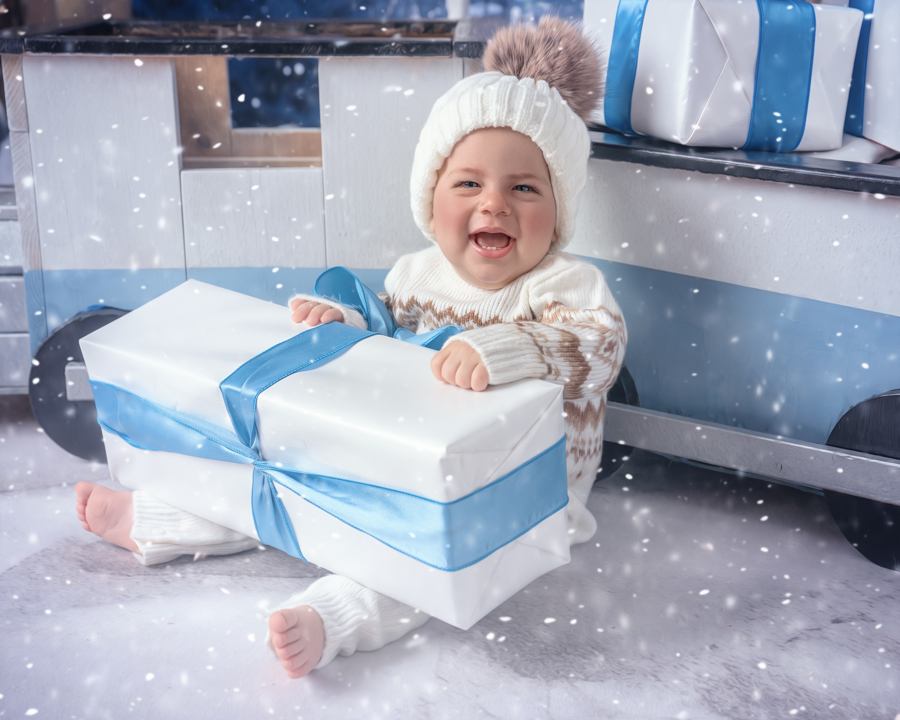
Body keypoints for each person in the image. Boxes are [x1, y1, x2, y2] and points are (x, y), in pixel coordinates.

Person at [75, 17, 627, 680]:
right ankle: (161, 519)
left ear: (558, 210)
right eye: (469, 184)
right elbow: (386, 341)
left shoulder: (567, 284)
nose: (495, 205)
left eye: (525, 188)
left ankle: (334, 616)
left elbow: (600, 346)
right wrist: (342, 323)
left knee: (416, 558)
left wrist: (507, 348)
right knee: (286, 482)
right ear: (432, 197)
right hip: (404, 453)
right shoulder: (415, 274)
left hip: (516, 492)